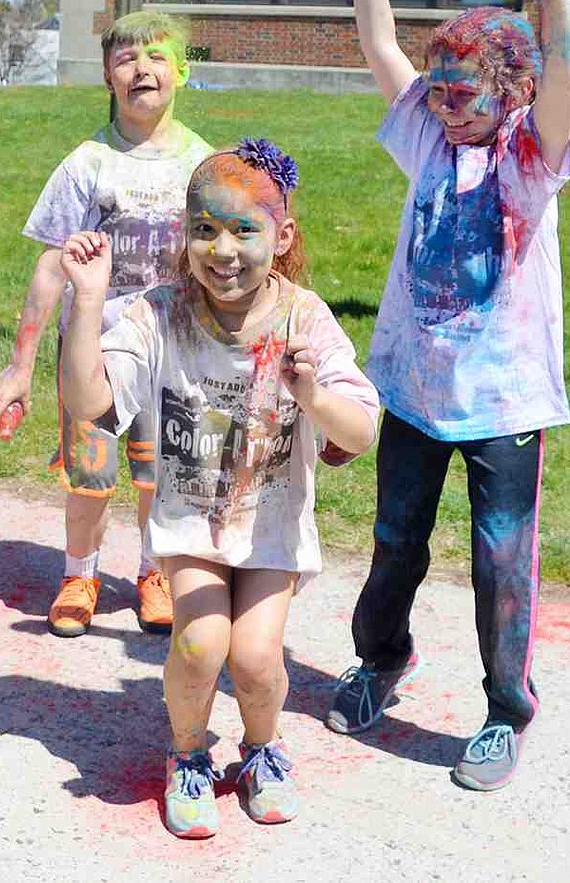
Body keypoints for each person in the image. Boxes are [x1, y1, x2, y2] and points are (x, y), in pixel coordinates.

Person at [325, 0, 570, 793]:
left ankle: (506, 708)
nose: (445, 109)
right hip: (412, 389)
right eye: (438, 95)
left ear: (506, 93)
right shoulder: (432, 135)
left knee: (499, 560)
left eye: (463, 96)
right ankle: (380, 660)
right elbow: (379, 47)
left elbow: (562, 74)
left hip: (503, 401)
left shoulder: (528, 154)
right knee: (396, 539)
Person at [59, 140, 379, 837]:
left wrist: (312, 394)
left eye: (244, 229)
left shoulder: (305, 317)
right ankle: (187, 754)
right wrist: (87, 303)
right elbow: (91, 401)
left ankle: (264, 747)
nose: (222, 249)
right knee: (202, 643)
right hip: (191, 524)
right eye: (205, 229)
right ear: (186, 232)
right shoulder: (160, 312)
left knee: (258, 658)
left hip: (270, 527)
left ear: (283, 235)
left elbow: (360, 432)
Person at [0, 11, 213, 638]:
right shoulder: (88, 164)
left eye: (158, 57)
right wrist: (21, 363)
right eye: (125, 59)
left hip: (175, 352)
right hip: (94, 356)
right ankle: (79, 575)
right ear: (107, 78)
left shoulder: (204, 166)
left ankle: (154, 572)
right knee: (90, 475)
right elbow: (49, 266)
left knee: (161, 471)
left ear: (182, 70)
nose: (142, 69)